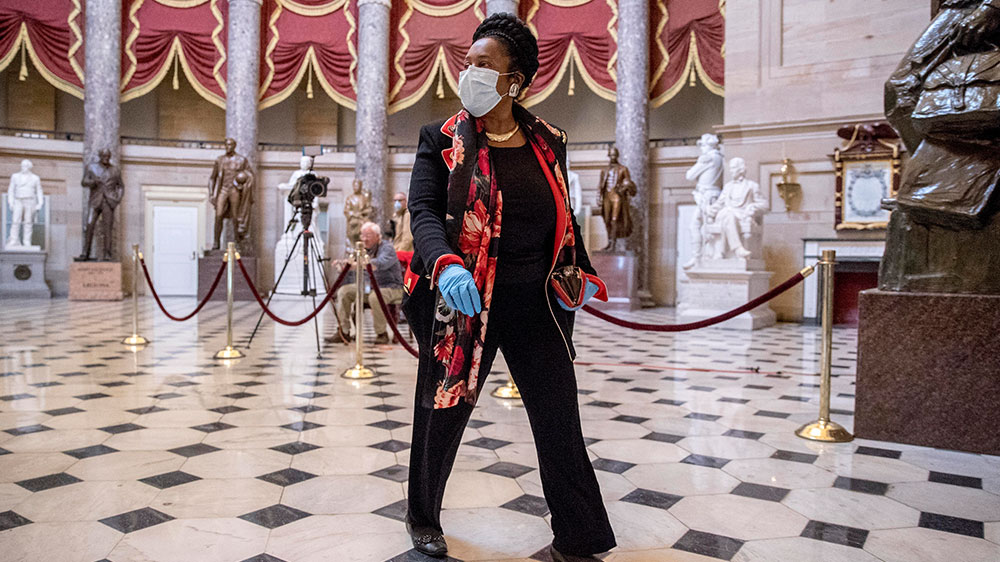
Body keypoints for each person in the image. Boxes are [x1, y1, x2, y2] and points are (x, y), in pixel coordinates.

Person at [401, 13, 616, 562]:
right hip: (463, 298)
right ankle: (423, 518)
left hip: (536, 302)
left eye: (481, 64)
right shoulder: (441, 139)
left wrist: (579, 270)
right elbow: (423, 211)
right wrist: (446, 263)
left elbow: (563, 211)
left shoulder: (549, 140)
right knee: (441, 413)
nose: (466, 71)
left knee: (559, 417)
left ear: (514, 80)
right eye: (466, 61)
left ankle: (579, 536)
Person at [332, 221, 403, 345]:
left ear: (378, 236)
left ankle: (382, 333)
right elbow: (351, 262)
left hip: (391, 287)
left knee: (375, 297)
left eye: (368, 235)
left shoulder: (387, 248)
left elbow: (380, 264)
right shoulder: (362, 249)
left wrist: (356, 265)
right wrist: (342, 264)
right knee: (344, 291)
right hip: (369, 287)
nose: (364, 239)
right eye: (362, 235)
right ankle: (344, 331)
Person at [706, 157, 767, 259]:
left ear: (741, 169)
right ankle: (738, 248)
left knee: (729, 216)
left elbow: (764, 205)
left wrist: (752, 206)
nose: (731, 171)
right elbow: (719, 204)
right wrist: (710, 209)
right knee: (728, 214)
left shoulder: (752, 186)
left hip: (742, 215)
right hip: (726, 214)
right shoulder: (728, 187)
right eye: (730, 168)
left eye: (733, 168)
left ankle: (720, 251)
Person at [683, 133, 724, 269]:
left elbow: (690, 175)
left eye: (702, 145)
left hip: (707, 196)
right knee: (704, 227)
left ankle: (699, 257)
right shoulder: (720, 157)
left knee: (699, 227)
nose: (701, 148)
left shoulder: (708, 158)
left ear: (708, 145)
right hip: (712, 195)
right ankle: (701, 257)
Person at [77, 148, 124, 261]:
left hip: (108, 201)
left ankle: (107, 254)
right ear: (100, 156)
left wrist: (117, 198)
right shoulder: (91, 167)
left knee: (108, 228)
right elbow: (83, 182)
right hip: (95, 201)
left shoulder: (115, 170)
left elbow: (121, 186)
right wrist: (93, 182)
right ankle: (85, 253)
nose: (106, 158)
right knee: (89, 225)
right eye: (104, 156)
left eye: (108, 156)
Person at [208, 137, 254, 251]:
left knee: (235, 216)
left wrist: (243, 183)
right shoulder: (219, 160)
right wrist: (211, 194)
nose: (228, 147)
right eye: (226, 145)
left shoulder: (241, 160)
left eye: (230, 145)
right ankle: (216, 242)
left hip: (234, 190)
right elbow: (212, 178)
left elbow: (250, 175)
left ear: (234, 146)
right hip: (223, 189)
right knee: (218, 215)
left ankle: (238, 242)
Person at [6, 159, 43, 248]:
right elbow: (11, 190)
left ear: (29, 167)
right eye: (22, 166)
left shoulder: (35, 178)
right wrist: (10, 202)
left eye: (25, 166)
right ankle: (13, 240)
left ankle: (27, 241)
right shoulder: (15, 176)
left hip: (30, 201)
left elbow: (39, 191)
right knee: (15, 221)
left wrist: (40, 203)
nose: (23, 167)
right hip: (18, 200)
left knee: (28, 222)